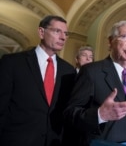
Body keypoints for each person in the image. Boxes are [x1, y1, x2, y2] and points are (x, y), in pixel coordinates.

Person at [63, 20, 126, 145]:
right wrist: (99, 114)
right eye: (124, 37)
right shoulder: (91, 71)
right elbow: (70, 113)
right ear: (110, 41)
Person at [0, 15, 76, 146]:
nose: (63, 37)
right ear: (41, 32)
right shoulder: (12, 62)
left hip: (53, 142)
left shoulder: (69, 70)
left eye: (66, 33)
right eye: (57, 31)